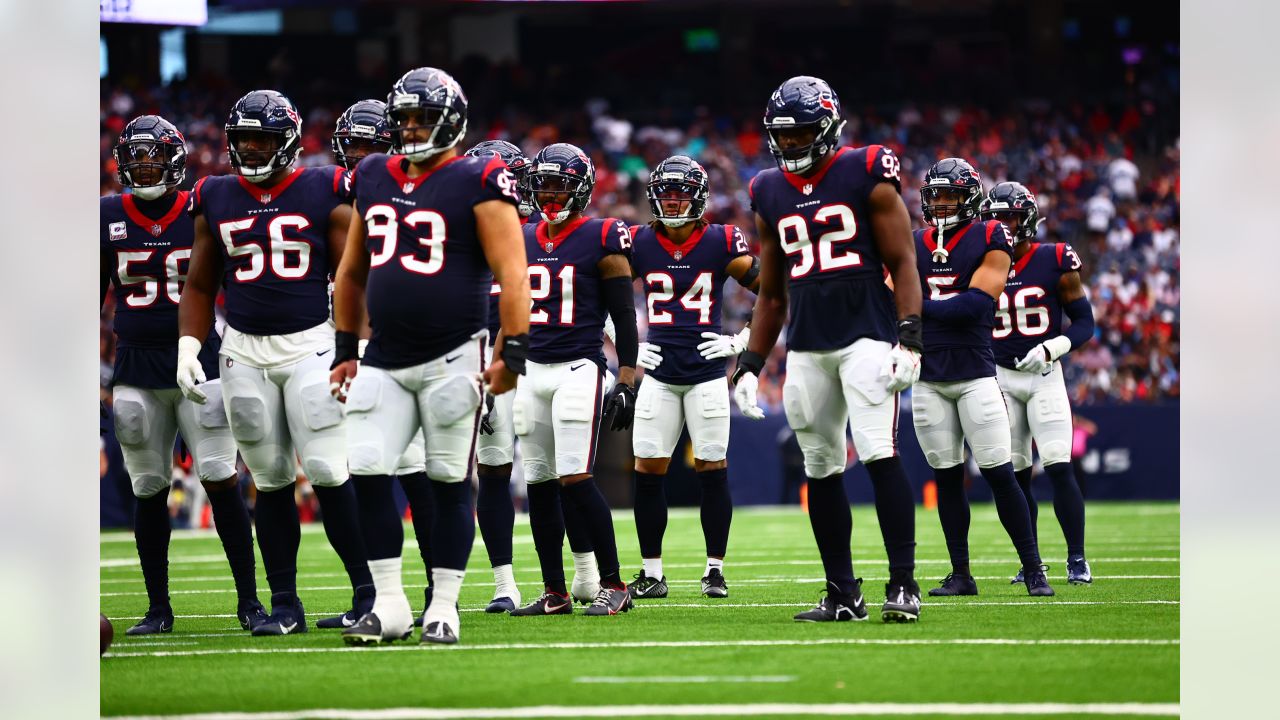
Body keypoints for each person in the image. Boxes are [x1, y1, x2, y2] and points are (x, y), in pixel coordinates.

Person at [329, 68, 531, 645]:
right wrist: (346, 348)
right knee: (366, 470)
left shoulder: (482, 178)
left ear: (453, 120)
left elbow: (513, 274)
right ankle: (390, 605)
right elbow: (352, 271)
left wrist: (511, 352)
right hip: (384, 356)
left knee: (446, 481)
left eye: (424, 117)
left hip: (452, 355)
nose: (413, 128)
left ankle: (444, 605)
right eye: (406, 119)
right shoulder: (371, 173)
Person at [177, 90, 372, 635]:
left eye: (262, 137)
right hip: (242, 349)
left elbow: (356, 272)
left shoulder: (321, 186)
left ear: (286, 140)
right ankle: (285, 603)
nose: (252, 148)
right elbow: (198, 282)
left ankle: (366, 591)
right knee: (269, 479)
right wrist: (189, 345)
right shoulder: (215, 195)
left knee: (331, 470)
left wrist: (358, 344)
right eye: (242, 139)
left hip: (312, 344)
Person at [734, 76, 925, 623]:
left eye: (800, 135)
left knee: (879, 453)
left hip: (866, 334)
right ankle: (843, 592)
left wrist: (909, 336)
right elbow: (771, 293)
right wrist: (750, 362)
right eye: (782, 136)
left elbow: (904, 262)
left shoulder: (865, 168)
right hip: (808, 345)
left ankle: (903, 585)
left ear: (826, 129)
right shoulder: (767, 189)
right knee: (818, 467)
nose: (790, 146)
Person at [101, 115, 266, 635]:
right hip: (135, 363)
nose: (144, 167)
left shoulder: (203, 204)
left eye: (153, 157)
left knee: (220, 480)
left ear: (174, 159)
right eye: (136, 158)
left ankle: (250, 601)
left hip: (199, 360)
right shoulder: (106, 214)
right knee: (148, 486)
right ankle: (158, 608)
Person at [910, 159, 1053, 598]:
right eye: (935, 195)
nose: (941, 203)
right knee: (947, 478)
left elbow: (975, 305)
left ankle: (1033, 568)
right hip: (929, 376)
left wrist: (915, 307)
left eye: (950, 194)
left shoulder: (991, 234)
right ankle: (961, 574)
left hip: (974, 373)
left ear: (970, 197)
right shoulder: (914, 242)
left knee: (1000, 474)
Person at [508, 142, 639, 617]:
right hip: (531, 371)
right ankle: (555, 592)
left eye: (559, 183)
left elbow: (625, 316)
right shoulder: (520, 236)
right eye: (542, 183)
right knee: (540, 484)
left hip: (577, 369)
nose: (549, 193)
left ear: (581, 188)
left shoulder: (602, 236)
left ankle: (614, 583)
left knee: (576, 478)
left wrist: (626, 377)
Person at [624, 155, 759, 600]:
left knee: (712, 468)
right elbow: (598, 295)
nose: (674, 201)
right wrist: (623, 343)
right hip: (659, 376)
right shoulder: (639, 243)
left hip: (705, 373)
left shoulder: (722, 241)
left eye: (682, 192)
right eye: (666, 192)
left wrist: (742, 340)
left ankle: (714, 569)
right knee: (647, 469)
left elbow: (774, 290)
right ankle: (651, 572)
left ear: (700, 197)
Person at [330, 98, 441, 626]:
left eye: (371, 148)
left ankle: (438, 593)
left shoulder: (421, 197)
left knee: (419, 473)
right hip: (349, 353)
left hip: (409, 351)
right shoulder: (332, 198)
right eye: (353, 148)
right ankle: (372, 596)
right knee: (357, 471)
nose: (361, 158)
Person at [982, 181, 1095, 585]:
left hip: (1044, 375)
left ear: (1027, 218)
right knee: (1015, 475)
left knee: (1059, 465)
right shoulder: (978, 261)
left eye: (1009, 217)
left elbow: (1085, 323)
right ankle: (1031, 561)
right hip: (999, 377)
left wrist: (1051, 349)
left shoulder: (1054, 258)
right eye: (995, 218)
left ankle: (1077, 558)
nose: (1003, 226)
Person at [464, 139, 537, 613]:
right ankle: (504, 583)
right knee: (492, 469)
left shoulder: (540, 232)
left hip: (539, 356)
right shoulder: (459, 235)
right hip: (485, 361)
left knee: (554, 472)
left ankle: (581, 576)